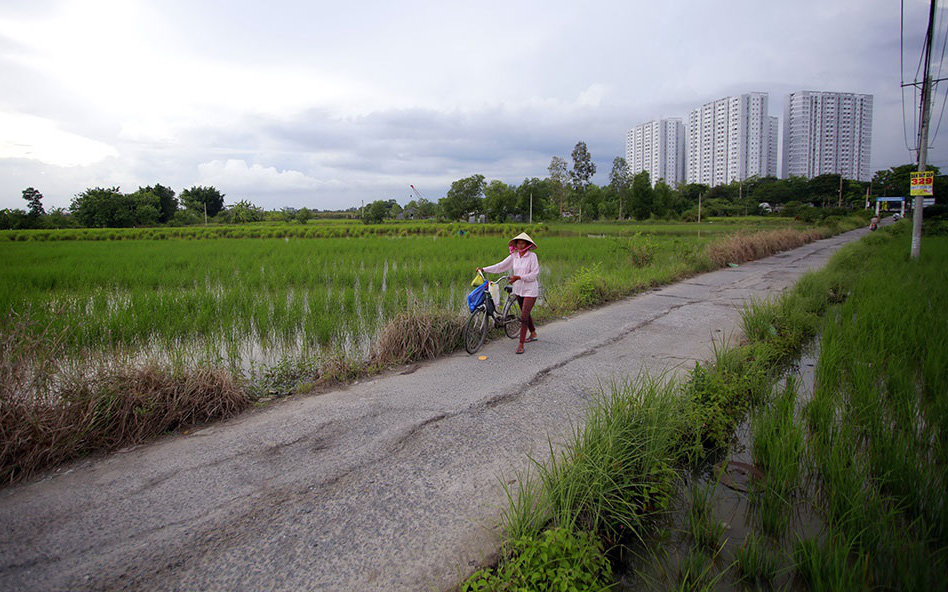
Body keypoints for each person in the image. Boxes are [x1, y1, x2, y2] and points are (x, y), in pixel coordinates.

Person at [478, 232, 540, 354]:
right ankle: (533, 333)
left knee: (523, 316)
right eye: (518, 243)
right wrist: (484, 269)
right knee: (525, 313)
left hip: (530, 290)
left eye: (523, 243)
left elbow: (534, 274)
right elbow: (501, 266)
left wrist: (519, 277)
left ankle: (521, 344)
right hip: (518, 289)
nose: (520, 246)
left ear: (527, 244)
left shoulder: (532, 257)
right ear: (516, 244)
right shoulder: (514, 256)